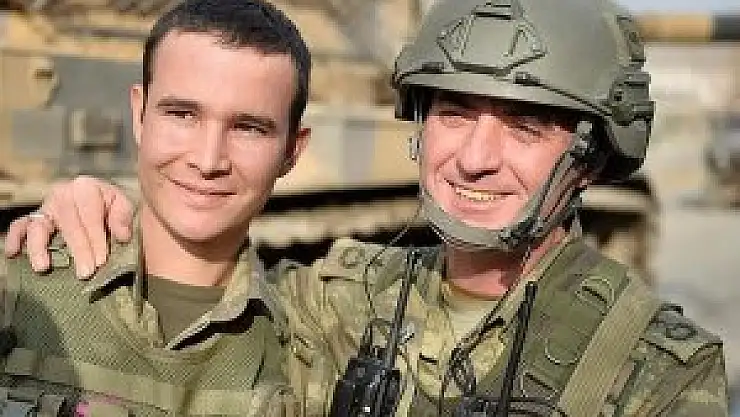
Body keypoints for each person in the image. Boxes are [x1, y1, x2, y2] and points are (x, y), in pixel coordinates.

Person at [5, 0, 729, 415]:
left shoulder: (659, 372)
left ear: (592, 155)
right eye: (453, 113)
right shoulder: (335, 299)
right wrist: (105, 213)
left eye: (525, 125)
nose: (475, 158)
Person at [0, 0, 312, 414]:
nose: (207, 161)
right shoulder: (21, 287)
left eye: (249, 128)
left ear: (291, 151)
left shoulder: (314, 343)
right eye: (182, 114)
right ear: (139, 113)